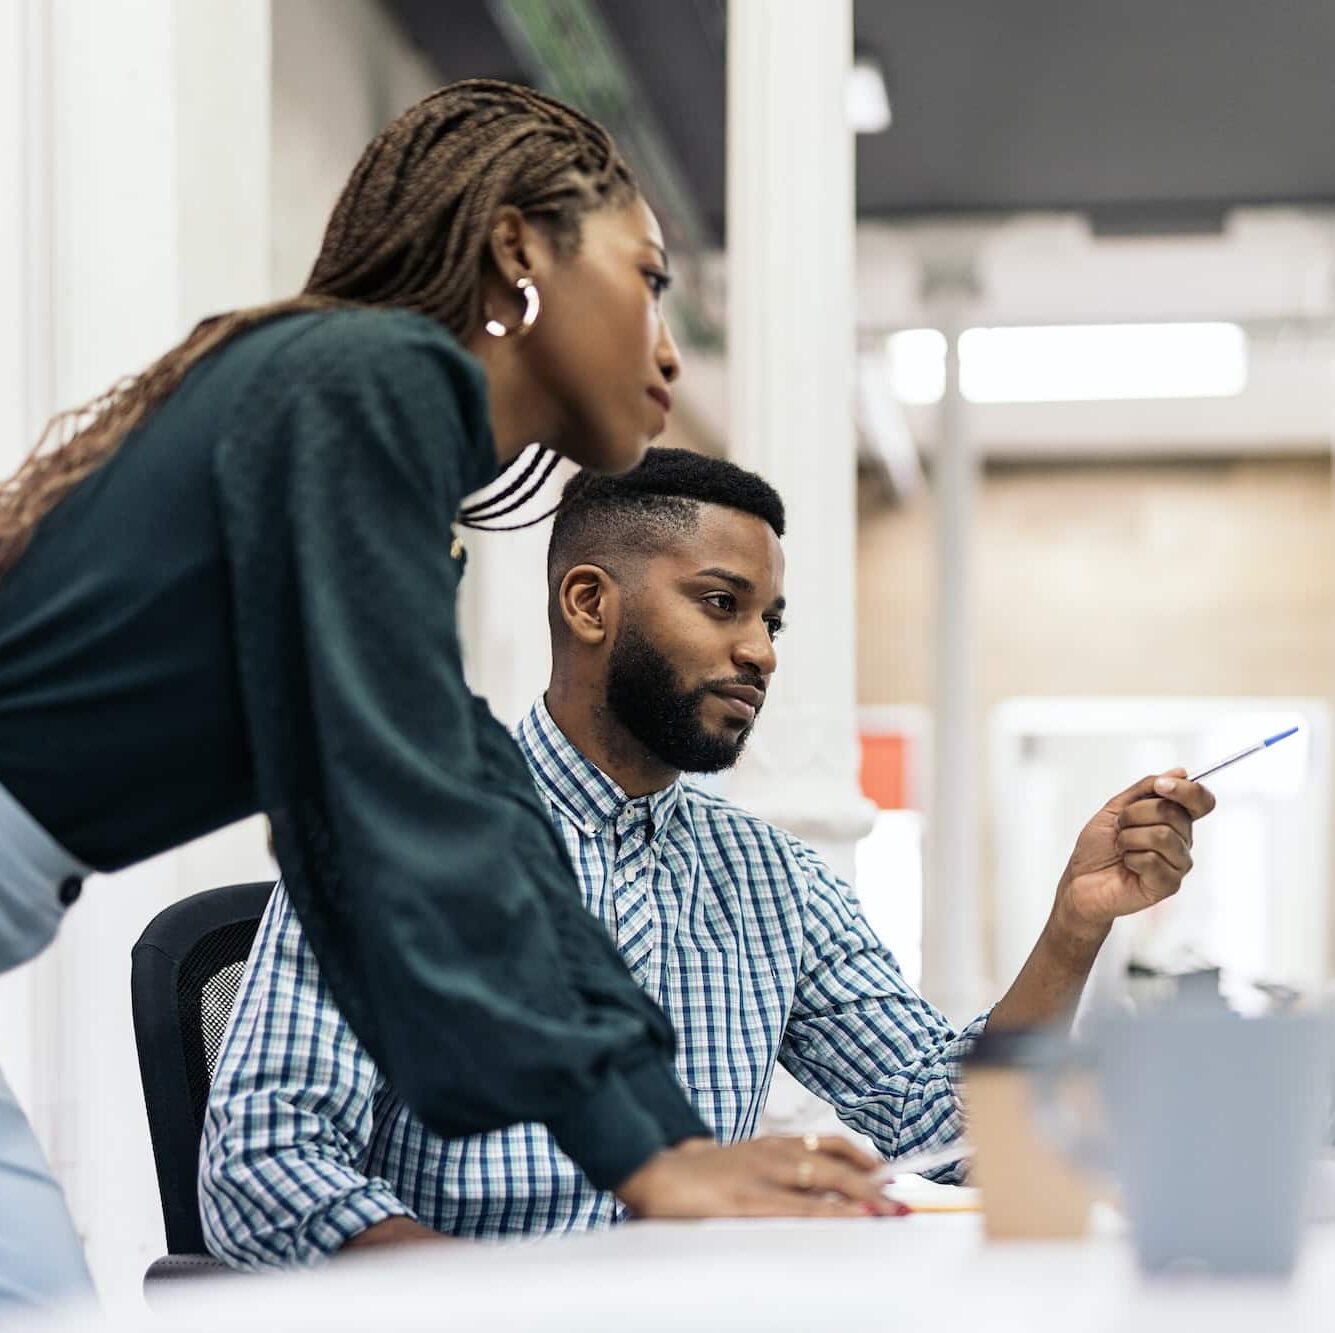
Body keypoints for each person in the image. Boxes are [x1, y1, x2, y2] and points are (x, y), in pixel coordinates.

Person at [0, 82, 887, 1310]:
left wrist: (653, 1140)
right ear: (518, 247)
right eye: (649, 278)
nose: (671, 347)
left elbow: (460, 789)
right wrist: (647, 1154)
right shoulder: (374, 379)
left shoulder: (378, 444)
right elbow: (410, 802)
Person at [199, 448, 1215, 1265]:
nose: (763, 651)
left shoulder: (770, 883)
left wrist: (1074, 925)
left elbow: (942, 1130)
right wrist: (494, 1305)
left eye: (770, 620)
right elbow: (265, 1163)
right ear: (590, 605)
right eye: (722, 604)